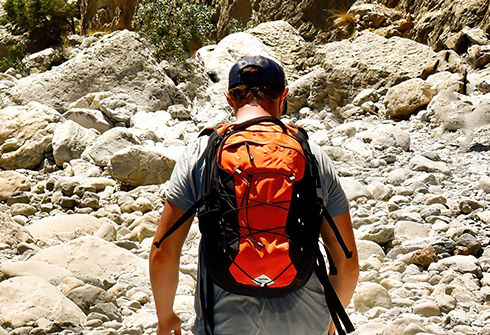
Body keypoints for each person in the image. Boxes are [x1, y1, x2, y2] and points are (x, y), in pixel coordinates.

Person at [148, 55, 359, 335]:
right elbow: (347, 262)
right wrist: (330, 321)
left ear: (229, 99)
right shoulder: (313, 157)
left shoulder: (201, 154)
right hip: (306, 321)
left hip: (223, 323)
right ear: (283, 96)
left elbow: (163, 252)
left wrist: (166, 318)